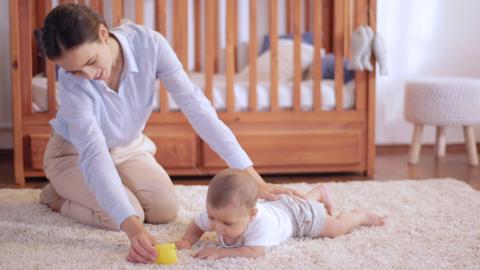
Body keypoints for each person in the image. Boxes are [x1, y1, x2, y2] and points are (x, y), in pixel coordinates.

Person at [39, 3, 303, 264]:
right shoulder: (73, 83)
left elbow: (197, 108)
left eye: (91, 62)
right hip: (74, 153)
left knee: (164, 209)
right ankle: (56, 196)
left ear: (103, 34)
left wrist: (251, 176)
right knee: (119, 216)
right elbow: (94, 156)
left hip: (126, 148)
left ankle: (102, 189)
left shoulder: (150, 45)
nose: (87, 75)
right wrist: (134, 230)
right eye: (75, 71)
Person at [176, 169, 385, 259]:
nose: (217, 227)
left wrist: (222, 252)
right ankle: (318, 193)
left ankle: (360, 215)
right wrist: (188, 239)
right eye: (213, 218)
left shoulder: (259, 225)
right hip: (280, 207)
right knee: (298, 203)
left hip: (299, 219)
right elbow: (197, 224)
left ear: (251, 215)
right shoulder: (217, 215)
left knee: (335, 229)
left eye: (227, 224)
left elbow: (253, 252)